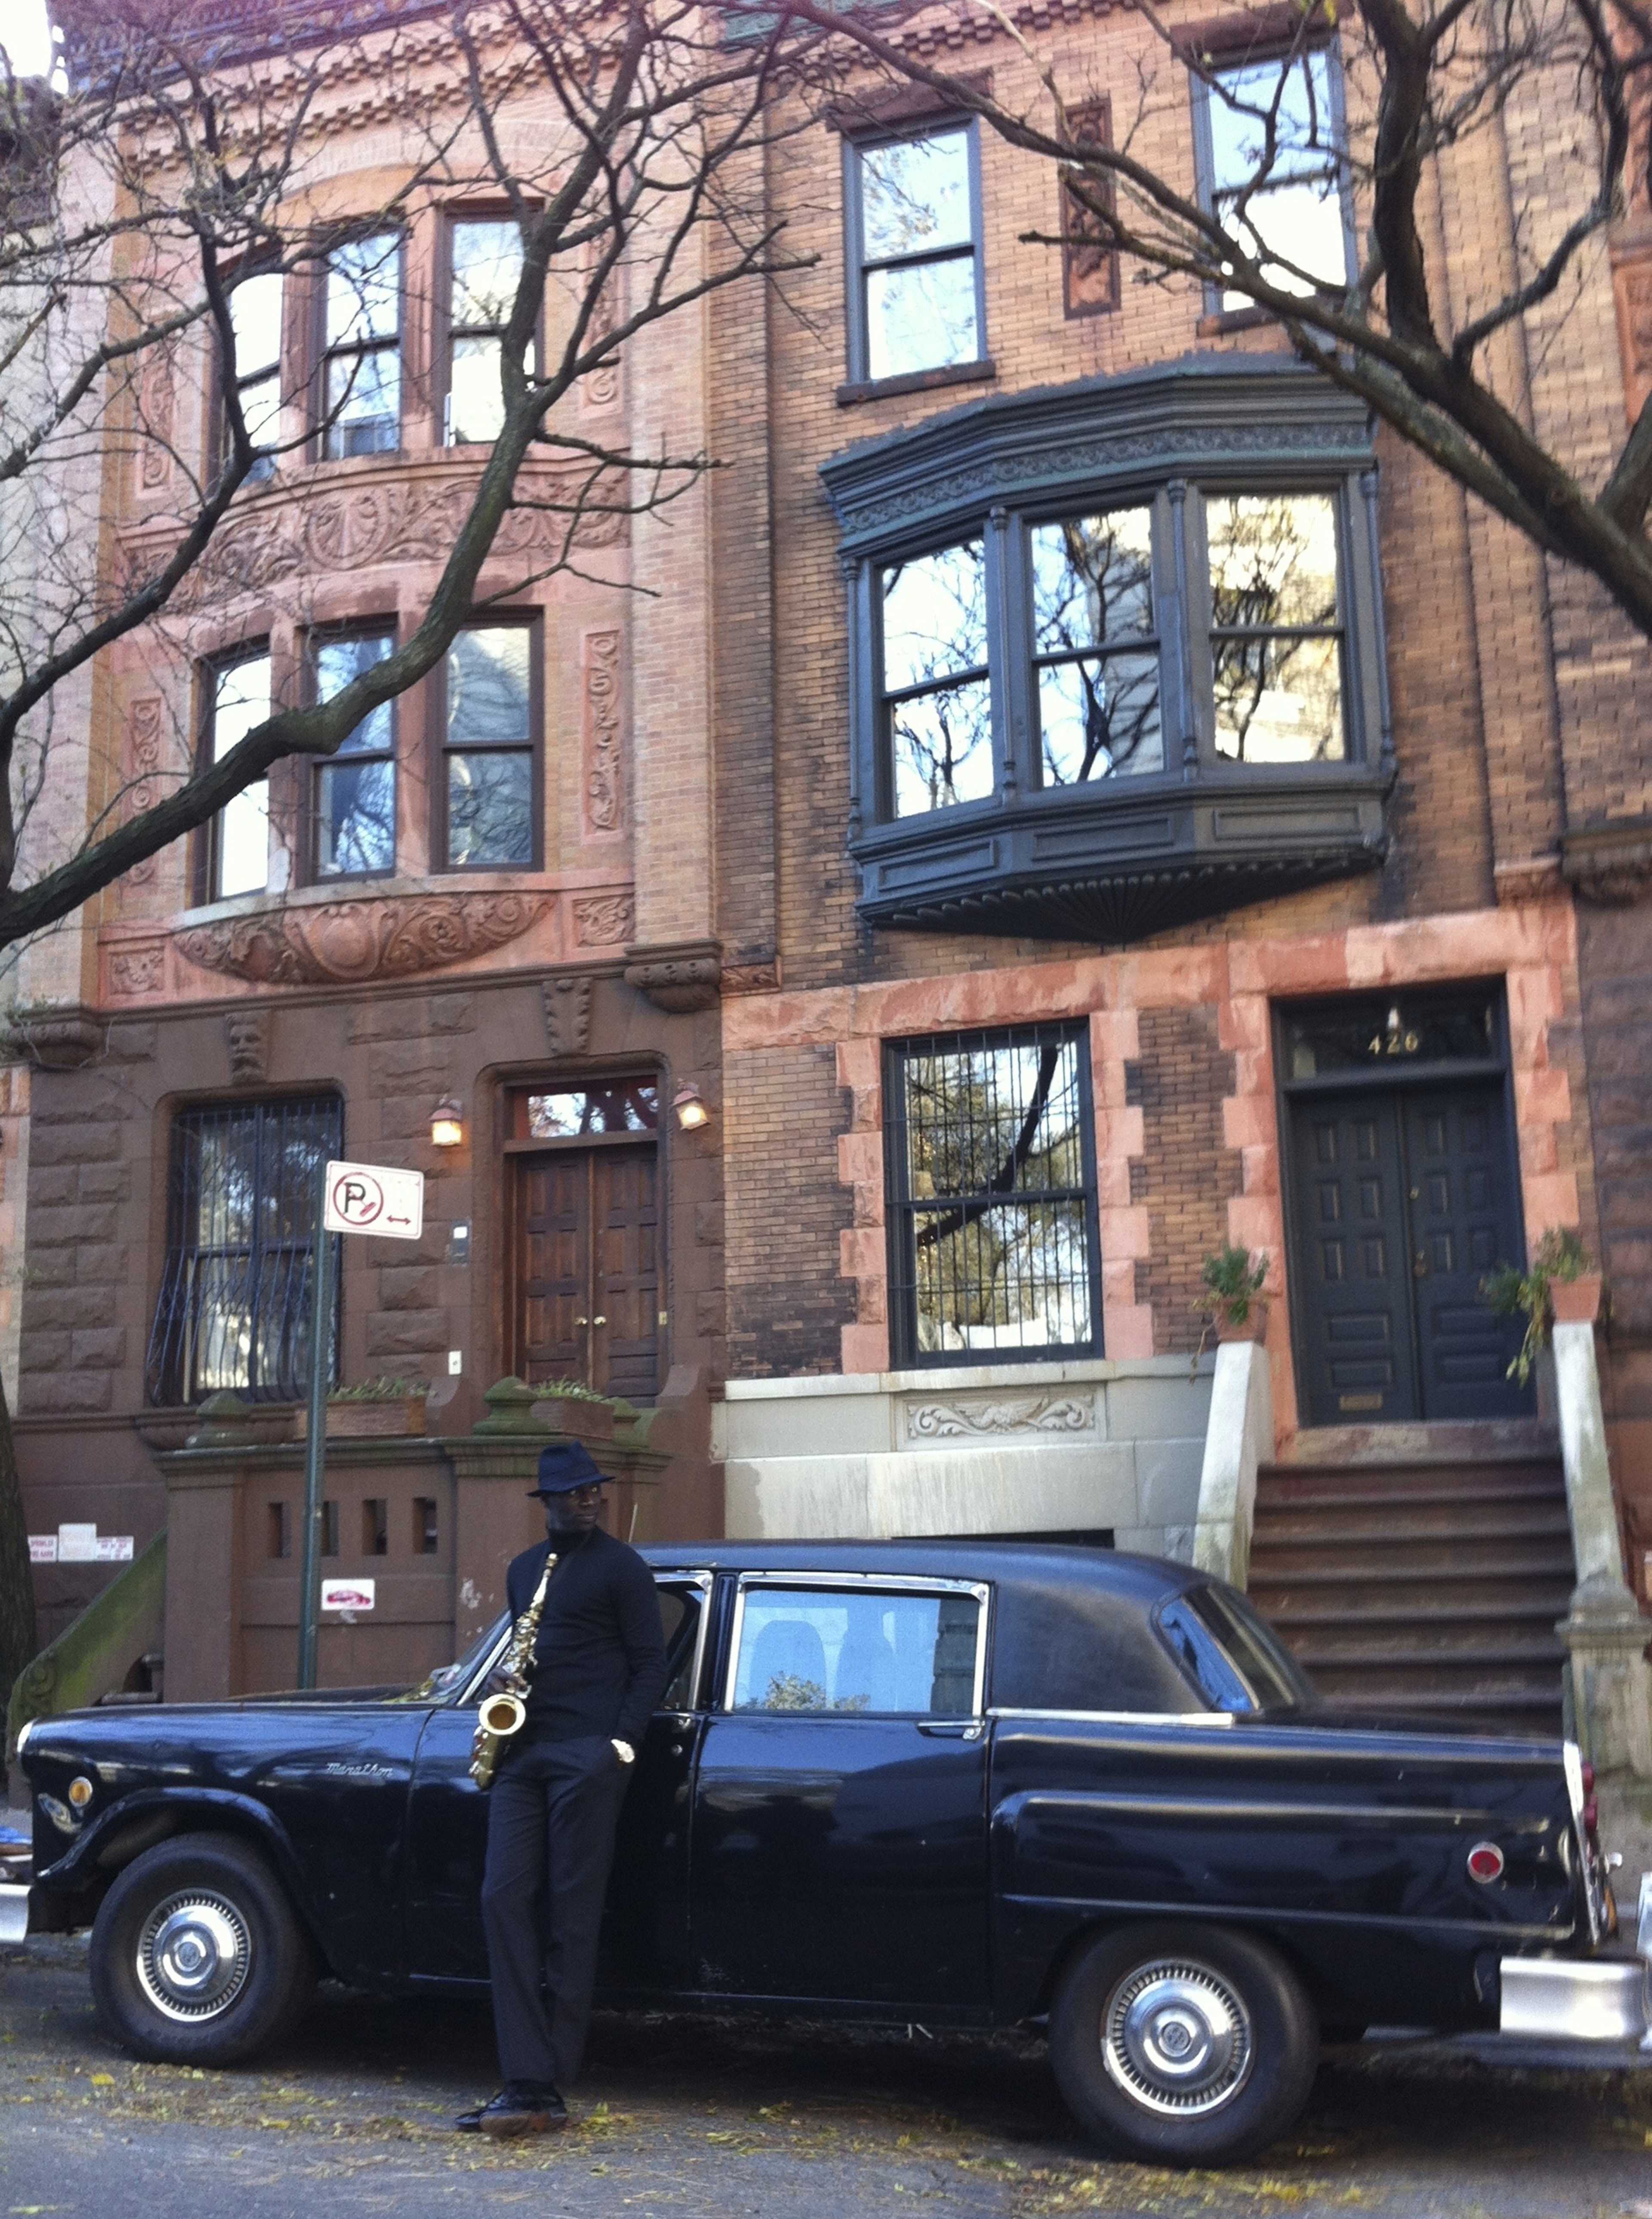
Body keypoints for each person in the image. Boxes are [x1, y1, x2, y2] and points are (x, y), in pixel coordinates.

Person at [457, 1440, 669, 2138]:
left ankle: (543, 2083)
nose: (589, 1498)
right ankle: (523, 2073)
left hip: (588, 1755)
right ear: (547, 1501)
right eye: (575, 1491)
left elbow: (649, 1666)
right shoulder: (524, 1571)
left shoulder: (624, 1567)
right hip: (523, 1754)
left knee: (573, 1911)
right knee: (502, 1895)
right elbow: (529, 1654)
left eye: (593, 1489)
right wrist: (502, 1687)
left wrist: (619, 1746)